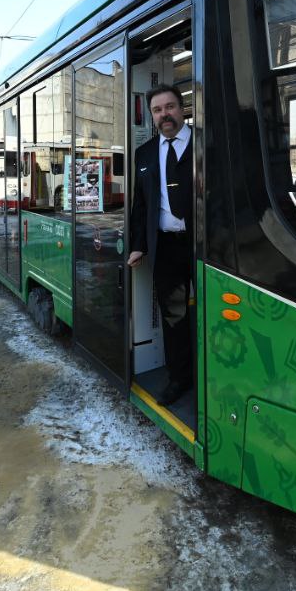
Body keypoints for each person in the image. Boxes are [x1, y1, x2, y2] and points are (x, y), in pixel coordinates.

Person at [127, 84, 193, 407]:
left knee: (215, 312)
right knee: (173, 317)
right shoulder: (145, 154)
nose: (164, 114)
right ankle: (179, 377)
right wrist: (138, 245)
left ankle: (216, 374)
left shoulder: (204, 143)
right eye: (157, 110)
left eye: (169, 107)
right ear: (152, 116)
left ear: (182, 109)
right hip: (165, 247)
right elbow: (141, 206)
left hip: (205, 245)